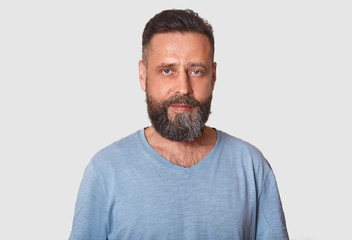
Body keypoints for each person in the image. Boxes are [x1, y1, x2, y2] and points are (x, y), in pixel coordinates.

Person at [69, 9, 289, 240]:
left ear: (213, 76)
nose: (184, 87)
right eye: (167, 70)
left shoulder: (251, 166)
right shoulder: (106, 170)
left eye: (196, 71)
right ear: (143, 76)